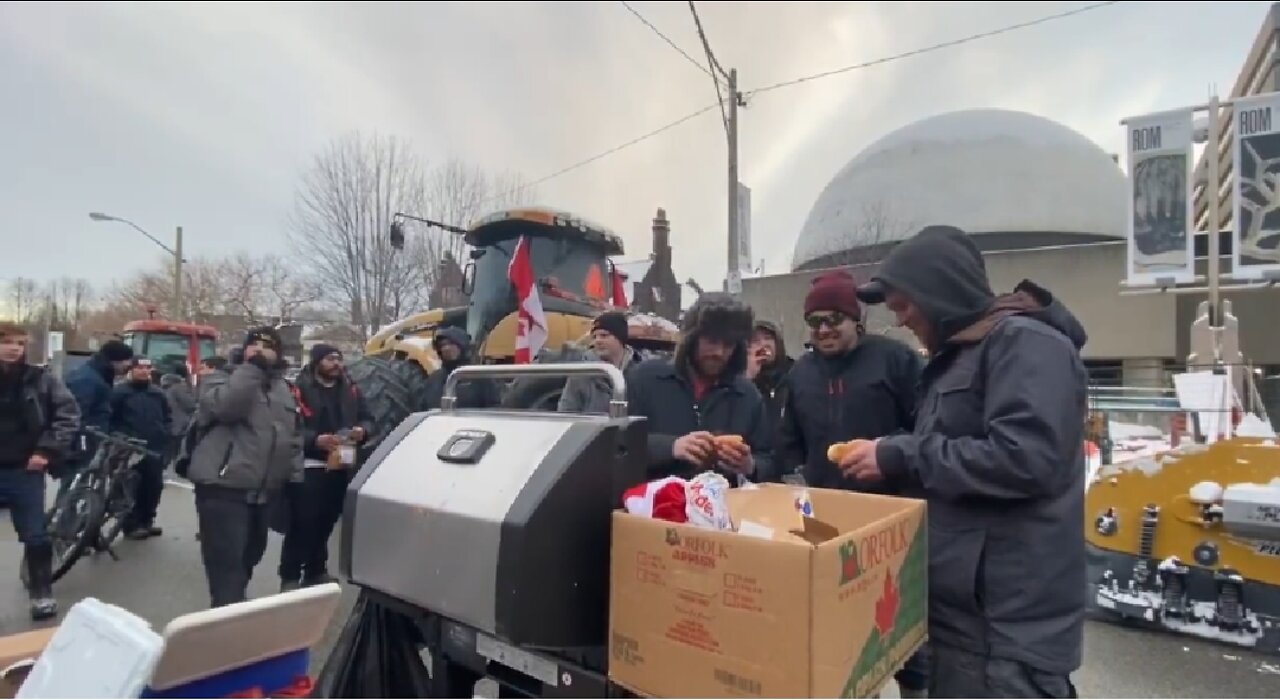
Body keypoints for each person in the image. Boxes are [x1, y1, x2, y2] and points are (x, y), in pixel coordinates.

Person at [843, 225, 1088, 699]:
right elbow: (956, 451)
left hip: (1005, 628)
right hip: (966, 620)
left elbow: (1028, 458)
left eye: (904, 306)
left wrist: (900, 455)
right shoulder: (965, 354)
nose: (902, 319)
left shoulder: (1024, 344)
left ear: (941, 291)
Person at [773, 270, 928, 697]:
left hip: (891, 514)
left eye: (833, 320)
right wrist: (795, 485)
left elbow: (929, 430)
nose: (823, 330)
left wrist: (887, 453)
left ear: (856, 320)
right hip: (824, 519)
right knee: (846, 629)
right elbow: (788, 442)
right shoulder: (801, 374)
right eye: (814, 322)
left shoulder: (896, 360)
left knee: (903, 625)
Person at [188, 327, 303, 607]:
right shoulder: (220, 378)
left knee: (250, 557)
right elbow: (227, 407)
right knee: (226, 566)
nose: (261, 350)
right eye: (255, 345)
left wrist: (294, 478)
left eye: (268, 346)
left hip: (263, 492)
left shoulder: (283, 389)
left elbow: (293, 435)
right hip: (223, 488)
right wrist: (252, 369)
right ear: (244, 349)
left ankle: (232, 608)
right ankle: (226, 625)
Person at [626, 293, 772, 482]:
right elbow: (618, 446)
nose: (718, 352)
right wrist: (671, 447)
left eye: (728, 344)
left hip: (724, 505)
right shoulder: (645, 379)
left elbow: (770, 459)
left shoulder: (747, 395)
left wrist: (750, 466)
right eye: (711, 341)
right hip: (654, 505)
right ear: (692, 339)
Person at [0, 321, 80, 620]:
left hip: (25, 469)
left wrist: (45, 451)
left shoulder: (40, 379)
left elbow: (67, 414)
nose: (13, 349)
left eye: (19, 344)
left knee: (36, 536)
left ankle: (41, 592)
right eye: (7, 342)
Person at [278, 344, 373, 591]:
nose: (336, 364)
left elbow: (368, 417)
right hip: (308, 464)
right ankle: (290, 575)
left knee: (326, 521)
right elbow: (289, 426)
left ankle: (315, 570)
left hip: (341, 464)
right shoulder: (297, 388)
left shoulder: (350, 389)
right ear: (317, 361)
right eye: (330, 359)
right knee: (303, 522)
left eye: (338, 359)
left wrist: (362, 431)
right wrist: (315, 440)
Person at [109, 357, 172, 540]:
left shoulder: (157, 393)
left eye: (147, 368)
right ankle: (131, 524)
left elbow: (167, 416)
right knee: (130, 487)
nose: (144, 371)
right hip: (129, 448)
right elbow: (110, 418)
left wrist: (166, 432)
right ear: (132, 369)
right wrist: (119, 437)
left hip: (154, 447)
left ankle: (147, 521)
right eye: (140, 367)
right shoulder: (120, 392)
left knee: (153, 486)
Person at [62, 339, 134, 491]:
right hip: (83, 440)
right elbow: (76, 413)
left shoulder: (97, 375)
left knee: (80, 484)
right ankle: (66, 512)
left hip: (90, 437)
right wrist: (81, 441)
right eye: (126, 362)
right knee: (74, 485)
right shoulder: (88, 379)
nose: (128, 367)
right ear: (115, 360)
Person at [558, 311, 644, 414]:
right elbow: (566, 413)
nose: (598, 341)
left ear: (620, 338)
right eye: (594, 337)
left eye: (604, 335)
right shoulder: (582, 373)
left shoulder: (641, 371)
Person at [422, 327, 501, 410]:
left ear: (462, 346)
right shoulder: (434, 379)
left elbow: (494, 410)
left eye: (451, 344)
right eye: (443, 345)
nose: (446, 348)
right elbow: (424, 408)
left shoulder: (480, 376)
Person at [744, 320, 794, 441]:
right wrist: (748, 378)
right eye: (755, 341)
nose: (763, 344)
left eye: (768, 338)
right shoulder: (742, 382)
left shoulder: (796, 373)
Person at [161, 363, 197, 459]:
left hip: (168, 424)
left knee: (166, 455)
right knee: (175, 455)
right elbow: (190, 404)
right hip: (179, 426)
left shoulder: (166, 385)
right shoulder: (179, 387)